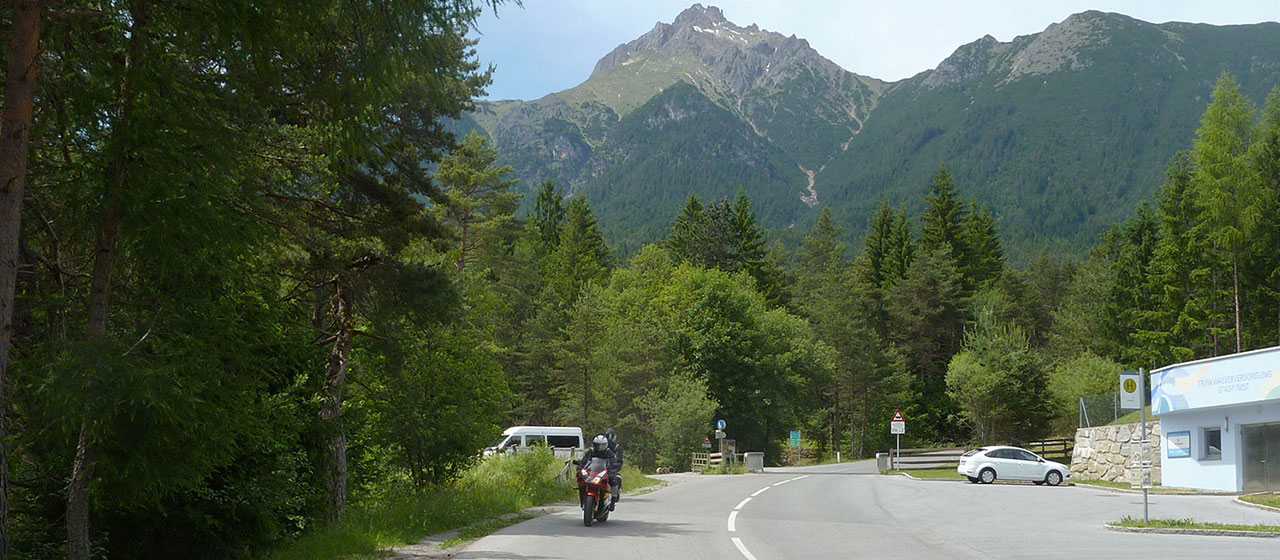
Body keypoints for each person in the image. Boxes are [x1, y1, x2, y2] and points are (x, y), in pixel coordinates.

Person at [604, 427, 622, 510]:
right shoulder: (600, 446)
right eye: (607, 436)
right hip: (600, 468)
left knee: (616, 479)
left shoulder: (617, 448)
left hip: (612, 469)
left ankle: (613, 501)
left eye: (610, 436)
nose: (609, 438)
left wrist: (616, 467)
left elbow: (620, 460)